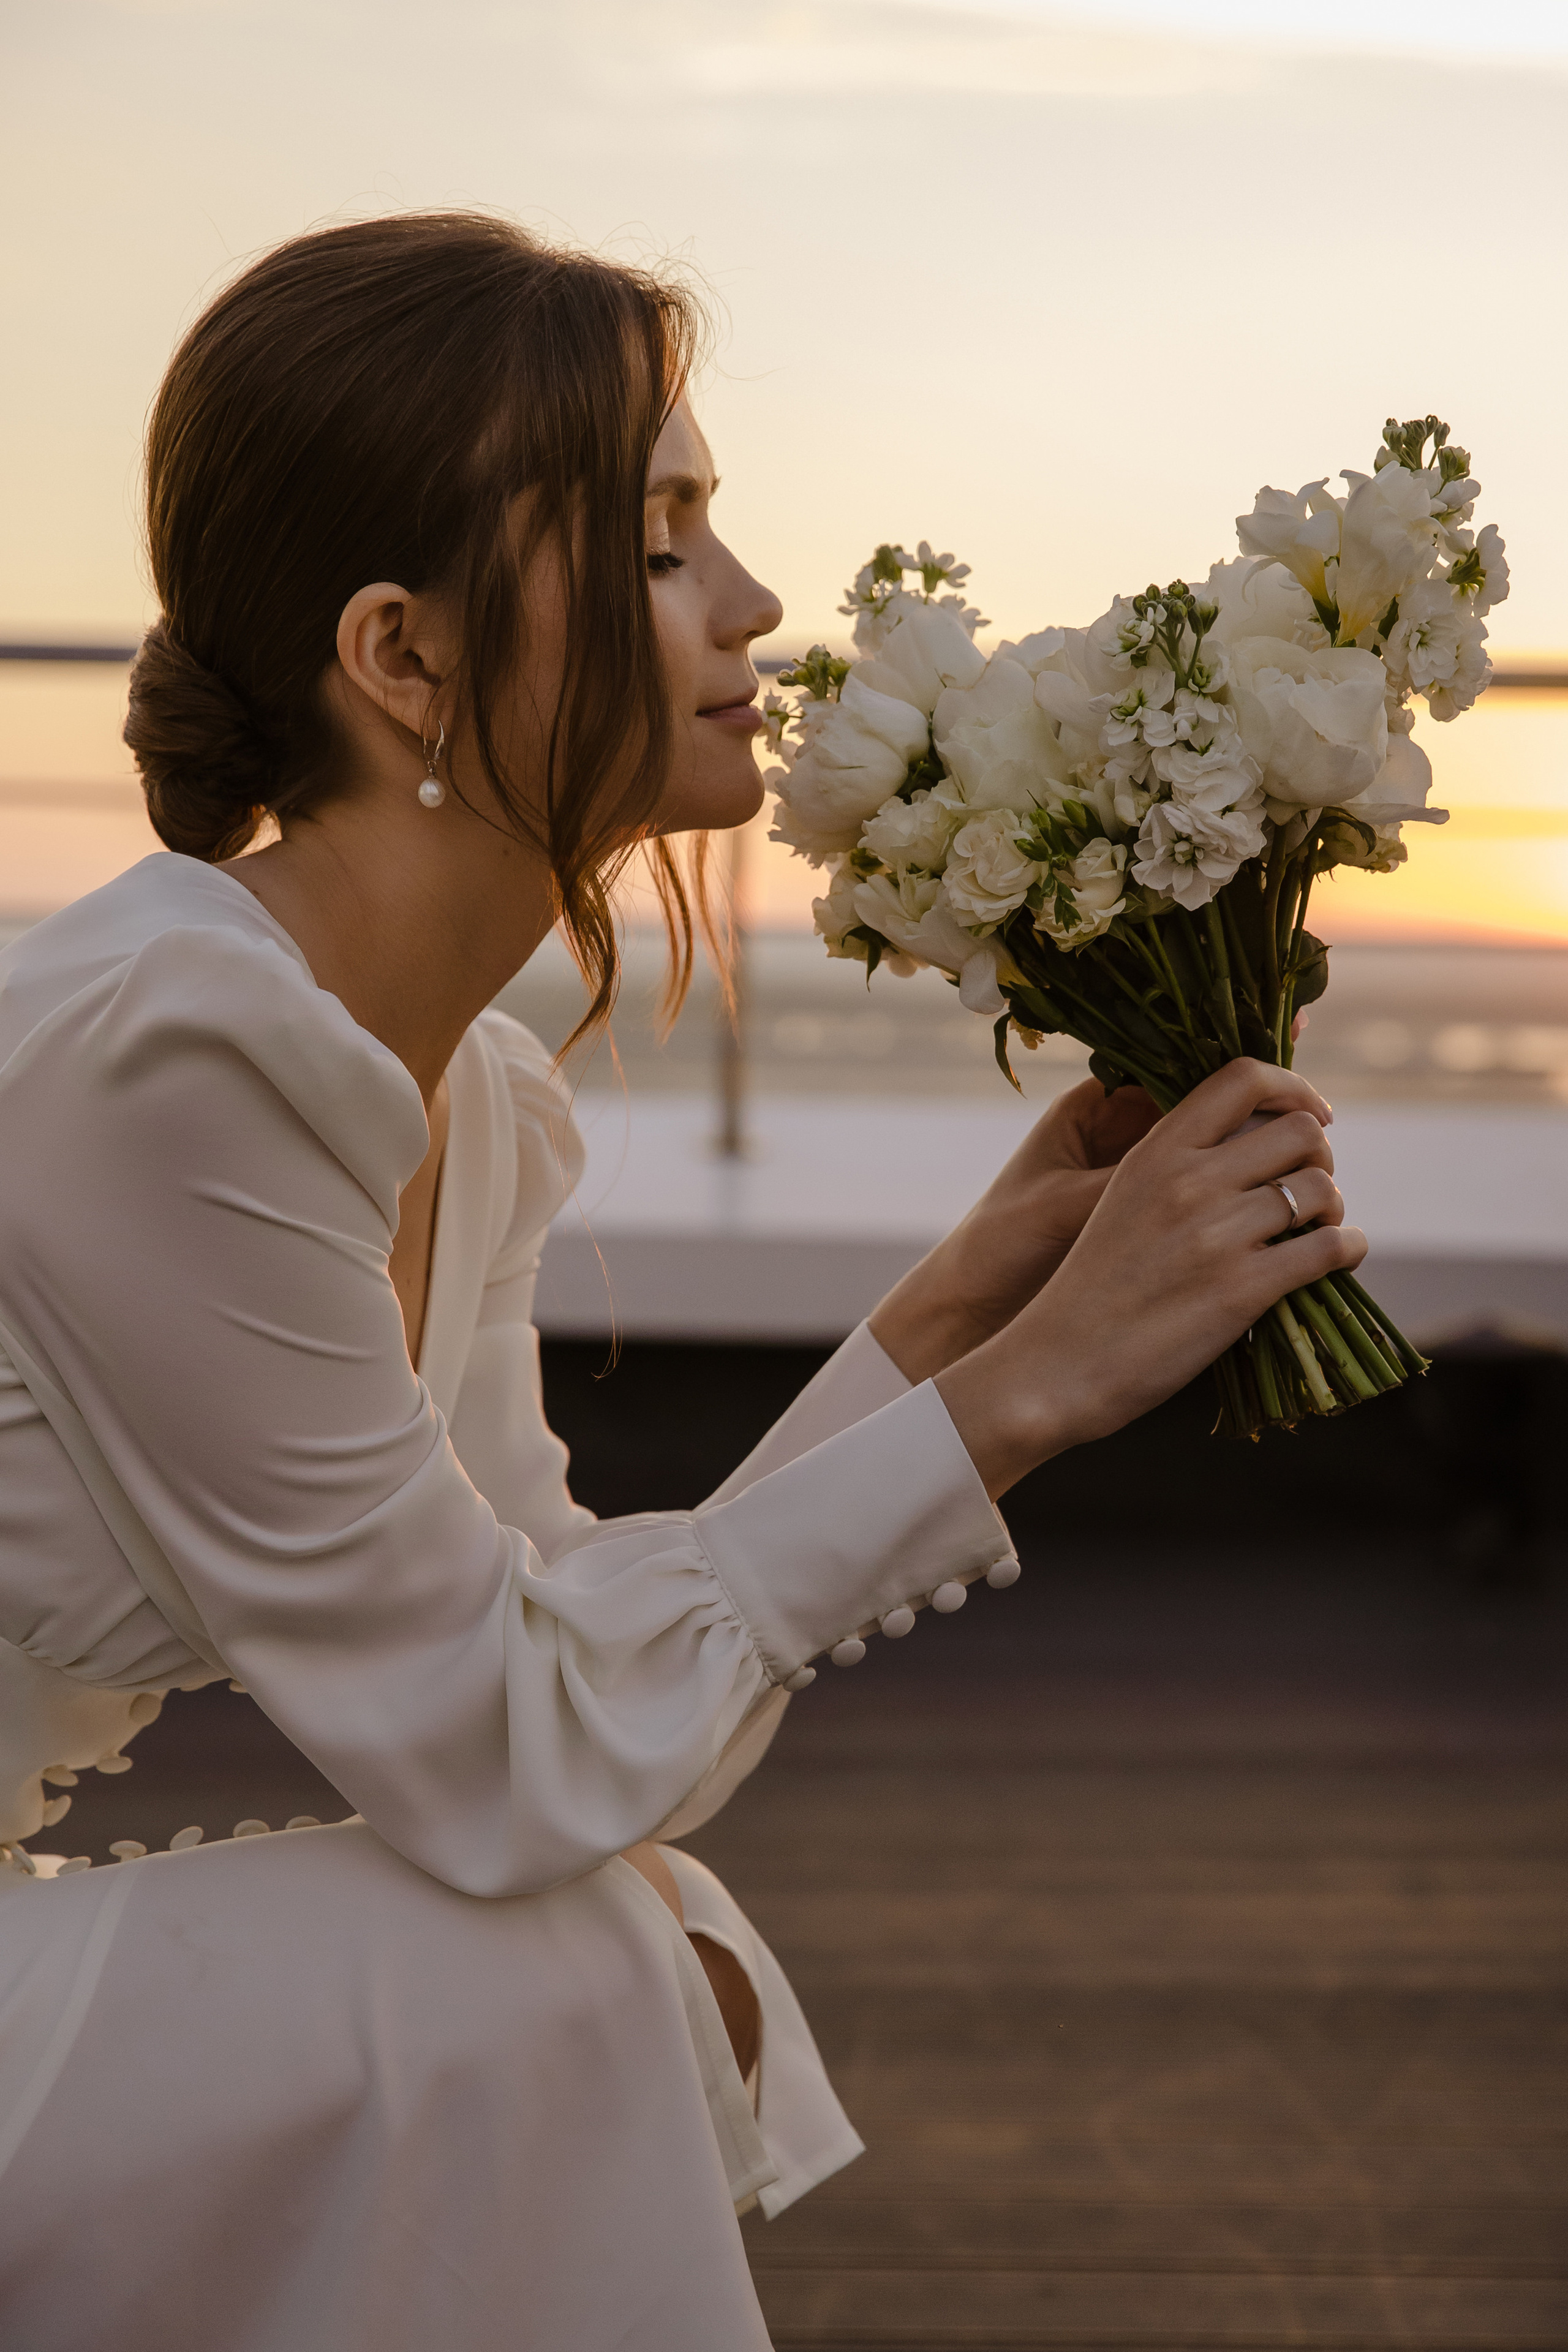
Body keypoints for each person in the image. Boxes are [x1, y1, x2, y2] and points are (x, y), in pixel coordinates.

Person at [0, 213, 1361, 2352]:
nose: (752, 607)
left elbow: (568, 1691)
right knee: (566, 1961)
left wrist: (951, 1324)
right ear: (405, 658)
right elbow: (505, 1753)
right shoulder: (168, 1055)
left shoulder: (482, 1098)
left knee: (612, 1929)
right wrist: (1026, 1404)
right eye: (660, 543)